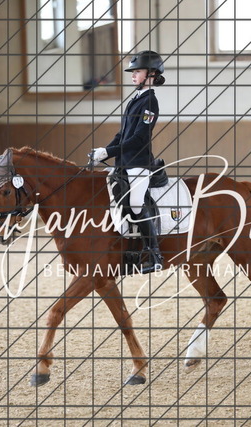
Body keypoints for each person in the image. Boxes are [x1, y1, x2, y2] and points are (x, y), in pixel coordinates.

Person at [90, 50, 166, 273]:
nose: (133, 75)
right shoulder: (135, 99)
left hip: (139, 164)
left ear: (151, 73)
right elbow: (122, 135)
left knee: (135, 204)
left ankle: (154, 254)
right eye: (133, 72)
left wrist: (109, 151)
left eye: (137, 71)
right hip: (123, 163)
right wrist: (104, 151)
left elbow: (139, 138)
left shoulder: (150, 101)